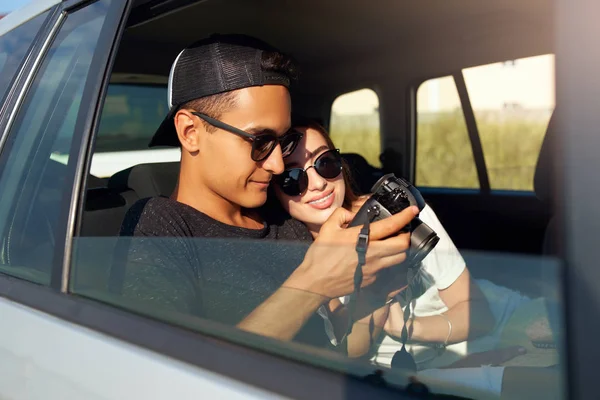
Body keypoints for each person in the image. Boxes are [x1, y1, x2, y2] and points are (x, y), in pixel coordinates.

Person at [116, 34, 416, 356]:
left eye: (283, 143)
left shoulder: (283, 216)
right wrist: (312, 283)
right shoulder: (160, 225)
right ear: (191, 132)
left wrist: (375, 292)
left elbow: (341, 351)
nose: (276, 165)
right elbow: (167, 375)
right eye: (260, 141)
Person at [270, 118, 564, 397]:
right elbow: (352, 351)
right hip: (426, 372)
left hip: (506, 324)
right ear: (275, 191)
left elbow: (481, 315)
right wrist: (378, 293)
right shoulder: (303, 261)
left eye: (325, 163)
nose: (318, 183)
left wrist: (409, 330)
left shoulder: (398, 209)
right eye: (292, 178)